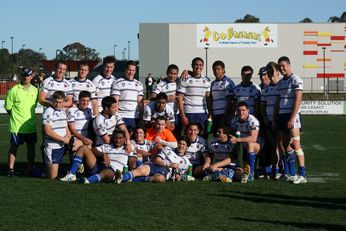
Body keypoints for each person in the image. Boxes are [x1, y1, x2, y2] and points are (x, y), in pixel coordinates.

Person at [61, 130, 135, 184]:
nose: (118, 140)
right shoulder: (107, 146)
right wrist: (103, 154)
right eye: (116, 138)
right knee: (83, 148)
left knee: (107, 171)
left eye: (120, 138)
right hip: (99, 166)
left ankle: (88, 180)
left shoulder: (128, 149)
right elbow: (93, 150)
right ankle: (71, 174)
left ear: (125, 139)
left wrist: (128, 174)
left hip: (113, 172)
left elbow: (132, 161)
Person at [275, 56, 306, 184]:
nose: (282, 68)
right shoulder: (281, 83)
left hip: (292, 116)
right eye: (280, 66)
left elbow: (298, 99)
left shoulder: (296, 79)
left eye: (283, 66)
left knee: (296, 145)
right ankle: (292, 174)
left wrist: (292, 118)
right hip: (282, 116)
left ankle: (302, 174)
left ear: (288, 65)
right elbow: (278, 101)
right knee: (286, 145)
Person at [5, 68, 39, 177]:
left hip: (31, 126)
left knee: (31, 148)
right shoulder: (14, 90)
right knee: (14, 147)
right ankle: (10, 169)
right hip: (17, 126)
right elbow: (8, 108)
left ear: (31, 76)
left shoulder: (35, 90)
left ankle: (30, 168)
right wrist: (16, 118)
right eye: (24, 75)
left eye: (28, 75)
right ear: (21, 76)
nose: (26, 77)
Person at [118, 137, 191, 183]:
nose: (181, 146)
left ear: (187, 147)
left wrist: (178, 176)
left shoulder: (186, 162)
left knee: (160, 179)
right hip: (156, 166)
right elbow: (157, 160)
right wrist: (169, 164)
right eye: (180, 144)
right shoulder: (168, 149)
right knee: (140, 171)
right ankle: (122, 177)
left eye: (184, 144)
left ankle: (132, 178)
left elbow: (181, 174)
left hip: (165, 174)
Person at [177, 57, 211, 137]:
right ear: (192, 65)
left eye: (200, 65)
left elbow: (208, 98)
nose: (198, 67)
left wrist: (210, 113)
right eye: (196, 65)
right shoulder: (185, 78)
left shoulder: (207, 80)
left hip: (202, 113)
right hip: (189, 113)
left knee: (202, 135)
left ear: (203, 66)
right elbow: (179, 97)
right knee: (189, 136)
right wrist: (182, 115)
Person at [42, 91, 71, 179]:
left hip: (62, 146)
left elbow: (66, 128)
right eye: (55, 102)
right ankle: (33, 172)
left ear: (63, 102)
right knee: (52, 177)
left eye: (60, 102)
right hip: (52, 146)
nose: (57, 104)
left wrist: (69, 137)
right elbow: (48, 131)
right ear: (52, 101)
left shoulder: (62, 111)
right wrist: (63, 139)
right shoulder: (48, 112)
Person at [230, 102, 261, 183]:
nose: (241, 112)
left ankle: (251, 174)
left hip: (256, 146)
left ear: (248, 110)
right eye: (239, 110)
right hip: (242, 147)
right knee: (243, 168)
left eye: (243, 110)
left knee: (250, 144)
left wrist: (237, 140)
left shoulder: (252, 120)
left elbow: (253, 138)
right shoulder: (234, 120)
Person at [111, 60, 144, 131]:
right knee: (121, 139)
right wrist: (116, 116)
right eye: (129, 70)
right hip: (122, 115)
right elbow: (115, 101)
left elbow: (140, 103)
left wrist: (141, 118)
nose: (131, 72)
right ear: (125, 69)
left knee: (133, 139)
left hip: (135, 116)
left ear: (135, 71)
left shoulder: (139, 84)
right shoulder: (117, 82)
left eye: (133, 70)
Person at [151, 64, 180, 135]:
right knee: (165, 135)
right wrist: (167, 99)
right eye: (170, 73)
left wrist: (186, 71)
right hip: (165, 115)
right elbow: (152, 96)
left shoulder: (179, 83)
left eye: (174, 74)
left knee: (177, 135)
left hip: (177, 114)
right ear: (166, 73)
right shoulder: (161, 84)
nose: (172, 76)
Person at [210, 60, 235, 136]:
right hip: (215, 115)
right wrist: (211, 114)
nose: (216, 71)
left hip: (224, 115)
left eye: (218, 69)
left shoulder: (228, 82)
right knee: (216, 136)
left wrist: (226, 116)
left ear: (223, 70)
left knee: (225, 137)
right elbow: (211, 99)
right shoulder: (212, 84)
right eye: (214, 69)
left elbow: (230, 101)